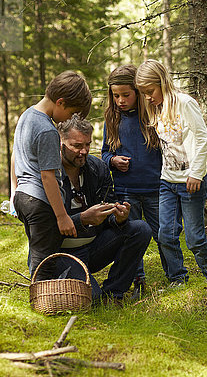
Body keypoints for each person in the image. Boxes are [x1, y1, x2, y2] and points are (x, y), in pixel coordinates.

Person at [135, 59, 207, 286]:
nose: (147, 97)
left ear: (163, 82)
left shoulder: (184, 103)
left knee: (194, 238)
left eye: (150, 91)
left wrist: (196, 173)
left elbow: (203, 137)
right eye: (143, 93)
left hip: (190, 181)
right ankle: (178, 279)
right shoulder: (156, 109)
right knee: (166, 235)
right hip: (168, 182)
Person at [57, 115, 151, 303]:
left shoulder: (97, 167)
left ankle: (114, 293)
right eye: (76, 146)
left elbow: (109, 208)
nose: (83, 151)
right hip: (61, 252)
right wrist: (82, 219)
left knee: (140, 229)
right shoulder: (50, 174)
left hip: (93, 247)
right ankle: (97, 294)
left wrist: (118, 218)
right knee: (93, 299)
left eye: (87, 145)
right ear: (61, 143)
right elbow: (44, 228)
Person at [11, 70, 91, 281]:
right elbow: (48, 177)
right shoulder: (47, 130)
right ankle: (42, 302)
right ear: (61, 102)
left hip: (23, 196)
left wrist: (14, 193)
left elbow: (14, 156)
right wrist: (62, 216)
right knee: (45, 261)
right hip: (40, 202)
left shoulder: (27, 115)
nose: (69, 120)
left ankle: (41, 294)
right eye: (72, 113)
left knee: (37, 252)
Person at [101, 65, 164, 299]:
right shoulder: (113, 119)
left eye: (126, 95)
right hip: (126, 190)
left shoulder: (153, 116)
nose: (120, 100)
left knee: (163, 234)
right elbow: (104, 153)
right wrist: (113, 160)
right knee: (133, 236)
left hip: (157, 188)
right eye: (115, 95)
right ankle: (137, 281)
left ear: (138, 91)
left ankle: (176, 277)